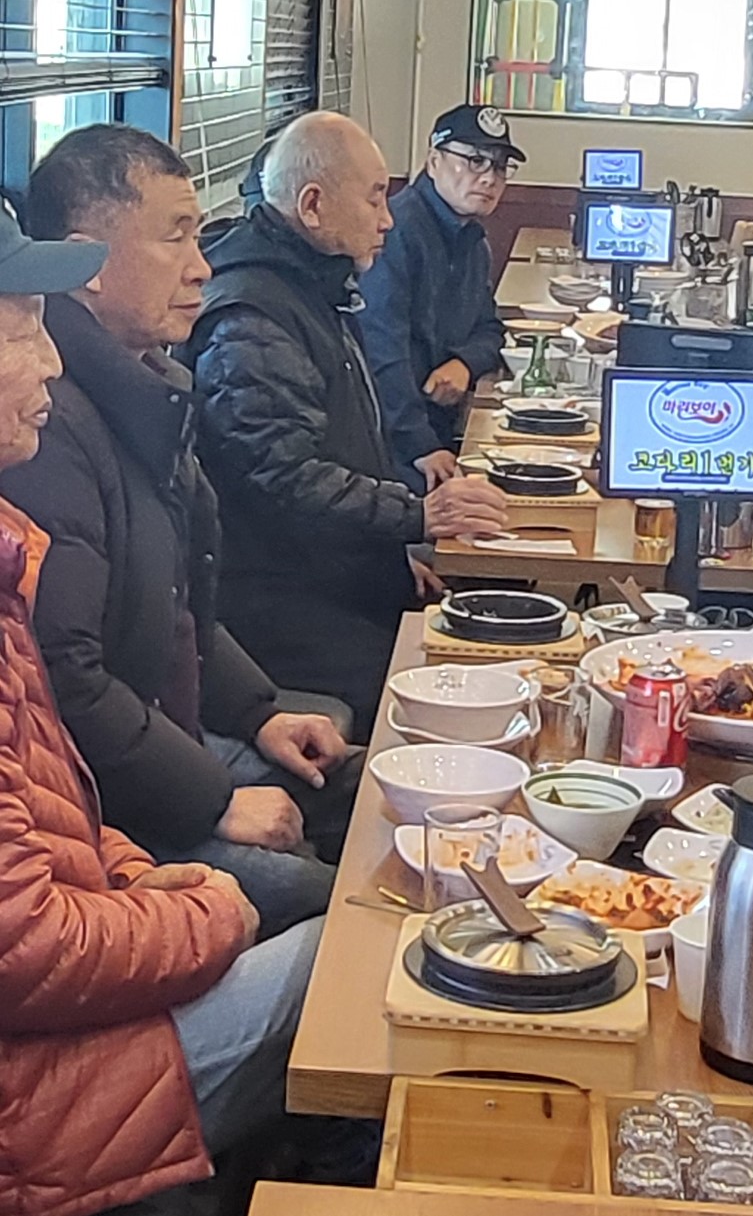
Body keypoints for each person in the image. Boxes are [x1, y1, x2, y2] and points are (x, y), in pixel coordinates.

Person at [0, 200, 322, 1216]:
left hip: (76, 976)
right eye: (21, 330)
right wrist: (207, 911)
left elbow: (58, 809)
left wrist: (143, 880)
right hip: (37, 1092)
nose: (51, 360)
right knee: (352, 956)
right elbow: (23, 950)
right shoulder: (58, 458)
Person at [3, 128, 355, 936]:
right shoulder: (41, 431)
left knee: (362, 785)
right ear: (88, 264)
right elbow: (67, 680)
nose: (201, 266)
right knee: (329, 910)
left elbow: (180, 606)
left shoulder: (150, 382)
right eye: (175, 237)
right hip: (115, 800)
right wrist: (215, 799)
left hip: (167, 737)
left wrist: (258, 711)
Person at [187, 113, 509, 729]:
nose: (387, 219)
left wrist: (390, 555)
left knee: (475, 648)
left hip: (330, 576)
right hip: (271, 607)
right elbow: (287, 479)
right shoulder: (253, 318)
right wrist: (416, 516)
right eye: (374, 198)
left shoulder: (313, 284)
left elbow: (346, 442)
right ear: (312, 205)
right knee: (436, 695)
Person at [359, 105, 519, 489]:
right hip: (389, 442)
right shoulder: (395, 233)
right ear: (433, 162)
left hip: (440, 424)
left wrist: (464, 363)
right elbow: (380, 351)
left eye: (500, 167)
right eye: (475, 161)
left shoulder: (472, 241)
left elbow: (490, 330)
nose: (489, 178)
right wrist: (420, 445)